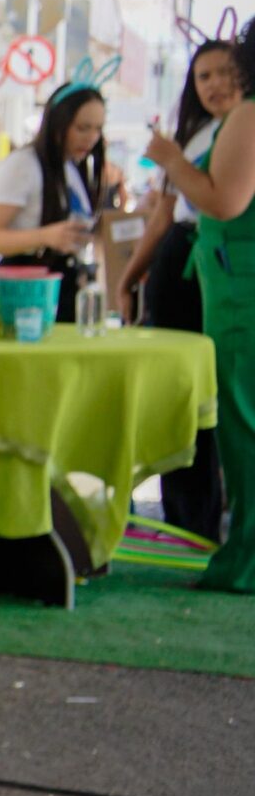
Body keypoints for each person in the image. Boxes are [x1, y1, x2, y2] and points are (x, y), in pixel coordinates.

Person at [118, 39, 245, 539]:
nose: (215, 84)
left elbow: (219, 201)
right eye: (203, 76)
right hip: (178, 260)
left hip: (224, 263)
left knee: (220, 395)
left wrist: (172, 161)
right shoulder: (193, 135)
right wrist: (130, 279)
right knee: (176, 396)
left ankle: (211, 520)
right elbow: (164, 217)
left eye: (225, 72)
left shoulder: (241, 129)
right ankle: (185, 520)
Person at [148, 40, 255, 592]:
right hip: (226, 274)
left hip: (239, 282)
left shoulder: (248, 115)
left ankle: (246, 560)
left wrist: (171, 160)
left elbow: (223, 201)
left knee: (240, 420)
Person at [0, 84, 108, 322]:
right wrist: (45, 236)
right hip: (27, 292)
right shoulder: (22, 165)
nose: (91, 138)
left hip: (63, 288)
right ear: (58, 123)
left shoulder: (72, 167)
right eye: (82, 128)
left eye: (98, 129)